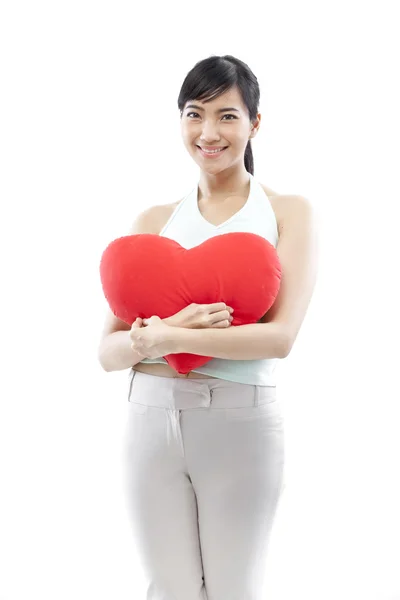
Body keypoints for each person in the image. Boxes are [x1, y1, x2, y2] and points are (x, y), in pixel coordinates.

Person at [98, 54, 318, 600]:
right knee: (169, 590)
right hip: (149, 417)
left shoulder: (287, 212)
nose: (208, 132)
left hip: (239, 422)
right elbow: (108, 351)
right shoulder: (153, 222)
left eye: (227, 115)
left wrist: (167, 336)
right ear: (180, 121)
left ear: (254, 124)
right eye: (194, 114)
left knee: (232, 590)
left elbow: (279, 338)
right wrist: (163, 331)